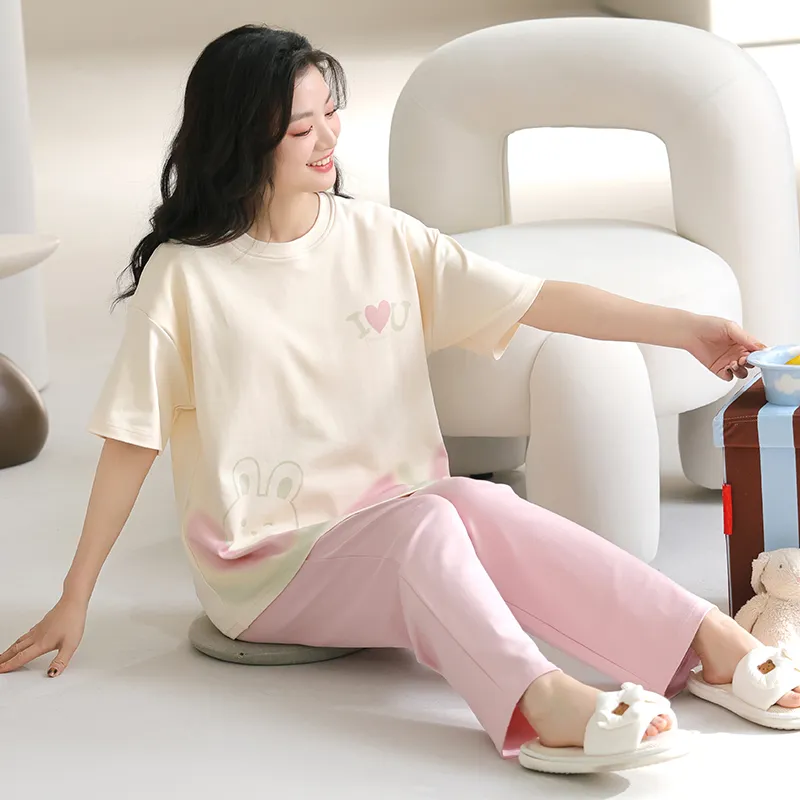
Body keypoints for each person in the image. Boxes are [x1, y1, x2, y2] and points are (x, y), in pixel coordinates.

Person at [2, 24, 799, 774]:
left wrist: (684, 329)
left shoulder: (377, 236)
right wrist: (75, 597)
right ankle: (540, 701)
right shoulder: (185, 277)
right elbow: (132, 439)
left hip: (397, 515)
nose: (328, 137)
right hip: (263, 569)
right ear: (242, 140)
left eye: (331, 112)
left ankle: (705, 642)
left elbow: (536, 298)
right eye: (301, 127)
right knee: (430, 520)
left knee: (472, 502)